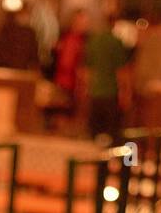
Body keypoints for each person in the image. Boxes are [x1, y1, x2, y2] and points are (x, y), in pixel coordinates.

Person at [84, 12, 129, 143]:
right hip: (111, 91)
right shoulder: (116, 42)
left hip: (95, 91)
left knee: (94, 131)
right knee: (110, 132)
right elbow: (121, 71)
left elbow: (87, 69)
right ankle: (106, 161)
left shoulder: (93, 41)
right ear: (114, 24)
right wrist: (125, 93)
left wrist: (87, 88)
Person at [53, 9, 90, 117]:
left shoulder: (76, 39)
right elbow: (66, 63)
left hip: (68, 83)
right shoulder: (72, 40)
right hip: (68, 84)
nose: (86, 25)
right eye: (83, 21)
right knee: (65, 117)